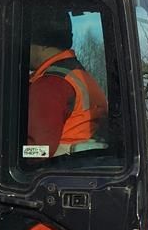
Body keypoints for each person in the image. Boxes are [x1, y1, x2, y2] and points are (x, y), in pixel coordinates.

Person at [25, 8, 108, 159]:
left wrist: (9, 154)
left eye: (26, 42)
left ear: (43, 43)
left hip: (54, 167)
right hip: (78, 164)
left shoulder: (51, 85)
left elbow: (39, 150)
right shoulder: (77, 76)